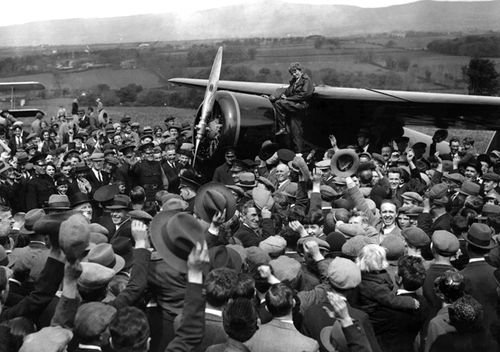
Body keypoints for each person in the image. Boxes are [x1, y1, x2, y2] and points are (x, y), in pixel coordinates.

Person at [268, 62, 314, 153]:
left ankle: (282, 128)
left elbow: (304, 95)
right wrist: (279, 95)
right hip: (293, 106)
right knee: (294, 132)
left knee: (279, 103)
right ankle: (296, 150)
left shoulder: (306, 80)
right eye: (292, 73)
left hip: (301, 106)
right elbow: (288, 91)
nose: (294, 74)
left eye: (295, 71)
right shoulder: (294, 81)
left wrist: (288, 98)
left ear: (300, 70)